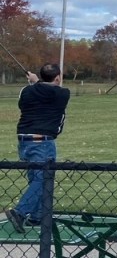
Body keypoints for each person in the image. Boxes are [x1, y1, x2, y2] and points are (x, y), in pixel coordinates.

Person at [5, 63, 70, 234]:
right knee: (43, 179)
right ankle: (20, 212)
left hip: (24, 141)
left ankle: (37, 216)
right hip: (43, 142)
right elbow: (50, 92)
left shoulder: (26, 91)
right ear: (57, 78)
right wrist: (36, 83)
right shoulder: (63, 93)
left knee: (36, 178)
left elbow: (26, 102)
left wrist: (35, 84)